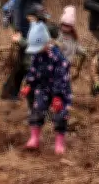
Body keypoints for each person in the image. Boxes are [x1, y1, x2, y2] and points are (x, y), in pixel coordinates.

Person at [20, 22, 72, 155]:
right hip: (42, 88)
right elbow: (33, 70)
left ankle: (59, 143)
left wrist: (57, 95)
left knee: (61, 114)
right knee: (37, 109)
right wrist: (29, 84)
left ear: (47, 43)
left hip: (60, 90)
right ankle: (34, 138)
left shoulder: (57, 57)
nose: (36, 51)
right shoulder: (37, 56)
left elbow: (61, 78)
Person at [0, 4, 51, 100]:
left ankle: (35, 104)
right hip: (28, 59)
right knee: (20, 73)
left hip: (34, 62)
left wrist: (20, 40)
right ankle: (11, 93)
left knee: (33, 84)